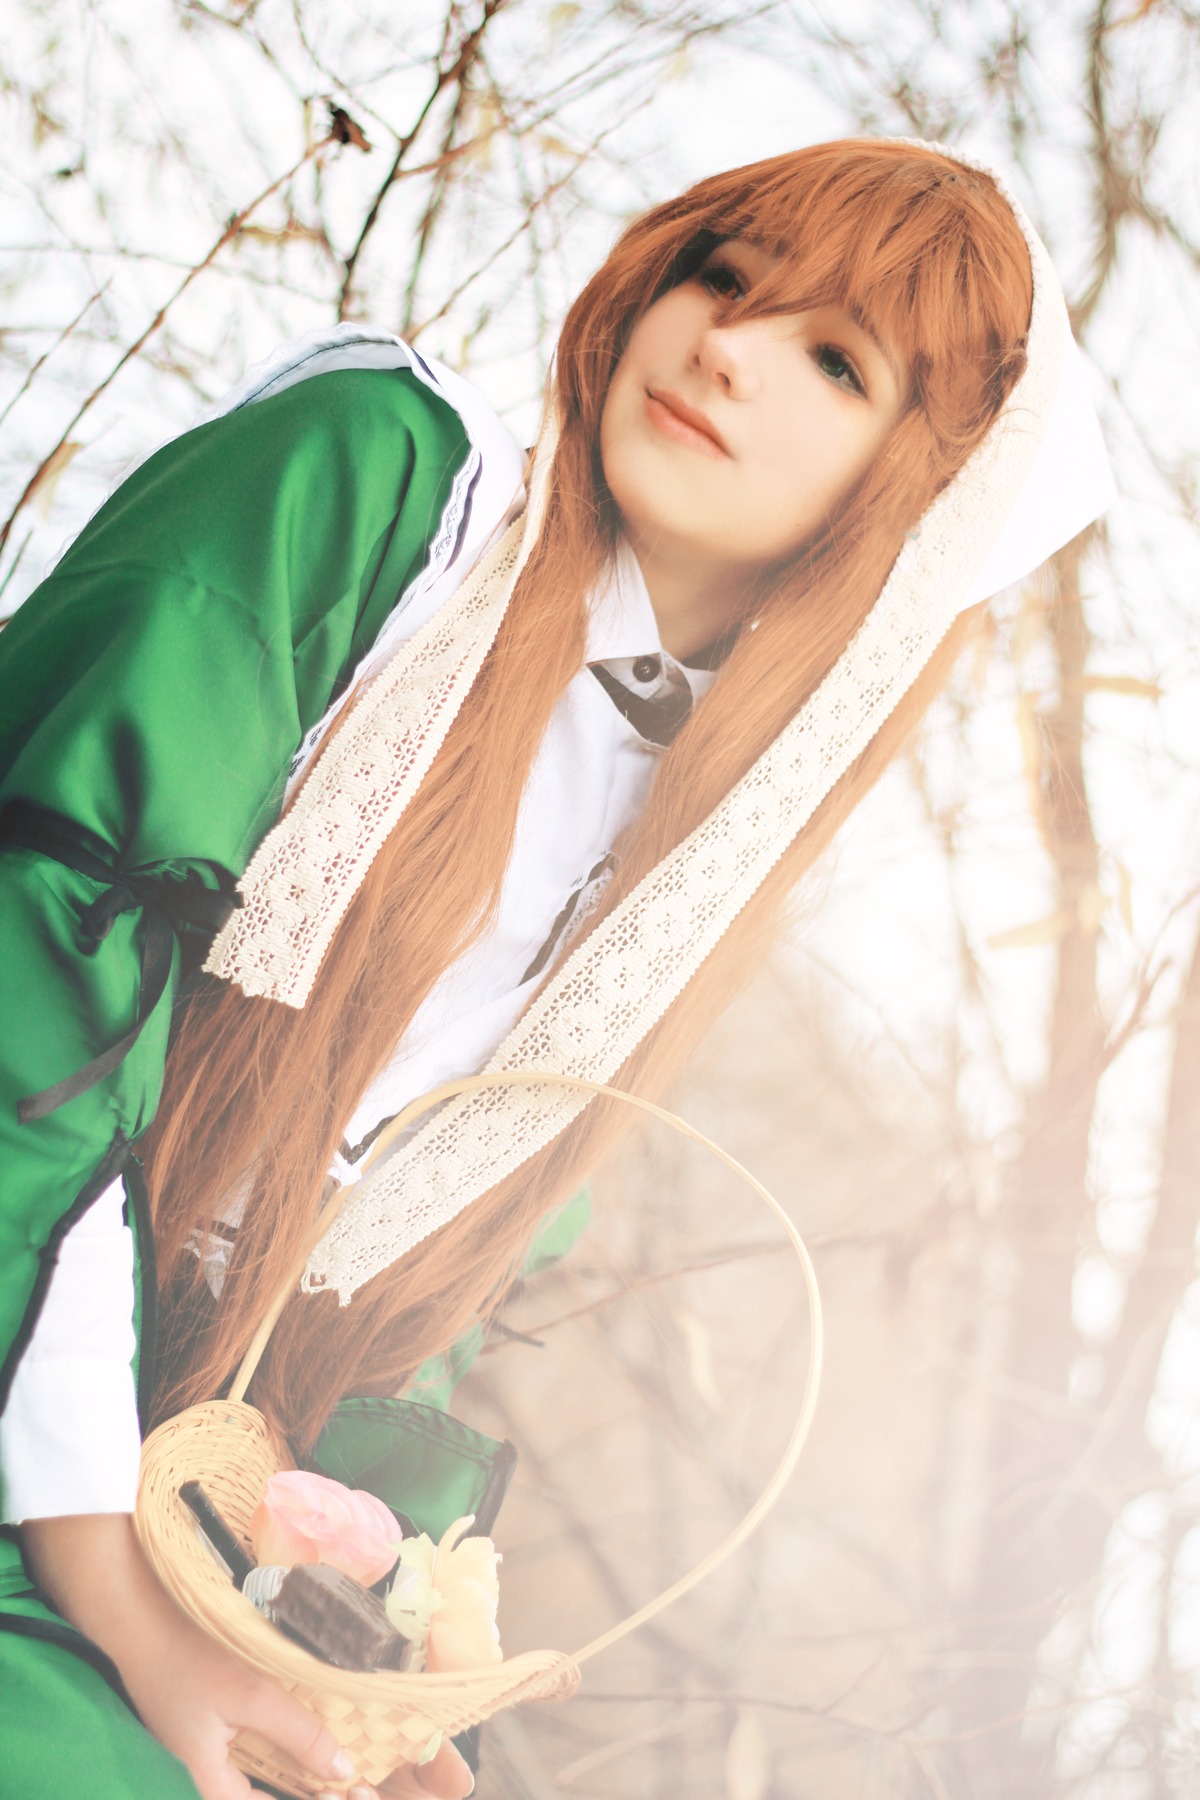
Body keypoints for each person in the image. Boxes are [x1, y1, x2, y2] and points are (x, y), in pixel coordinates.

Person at [0, 138, 1113, 1799]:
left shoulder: (672, 881)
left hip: (138, 1513)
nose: (728, 344)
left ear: (915, 501)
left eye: (836, 360)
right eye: (728, 275)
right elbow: (37, 965)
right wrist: (122, 1599)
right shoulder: (376, 484)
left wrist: (375, 1650)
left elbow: (395, 1319)